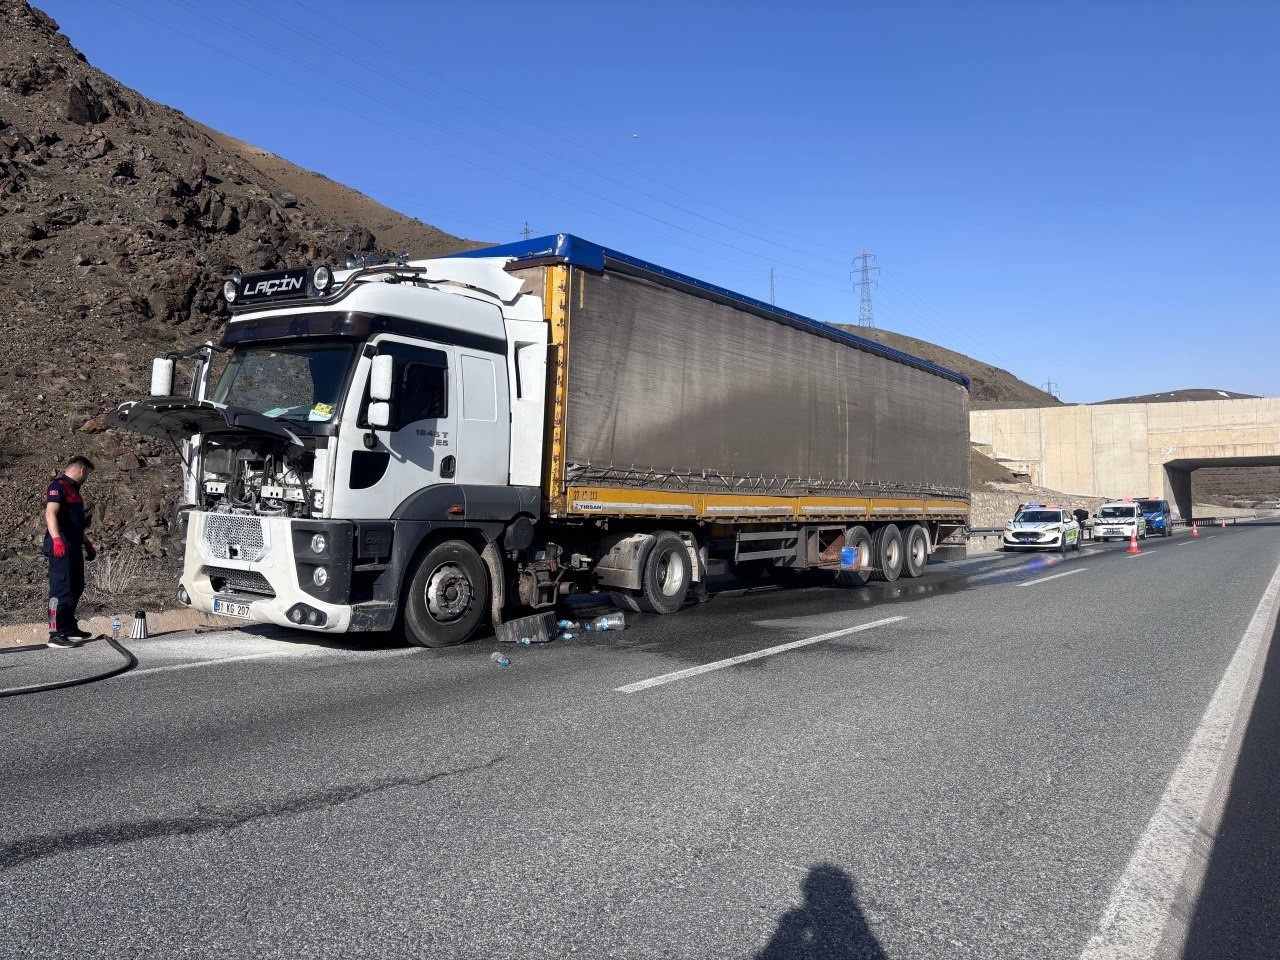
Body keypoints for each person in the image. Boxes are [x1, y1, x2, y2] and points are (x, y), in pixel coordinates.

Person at [44, 455, 97, 647]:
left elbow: (75, 523)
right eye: (88, 473)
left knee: (76, 586)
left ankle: (68, 628)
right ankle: (55, 632)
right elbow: (50, 513)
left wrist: (87, 542)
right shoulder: (58, 486)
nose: (87, 477)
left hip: (74, 546)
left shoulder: (74, 491)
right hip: (61, 547)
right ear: (82, 470)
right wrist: (57, 540)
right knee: (61, 589)